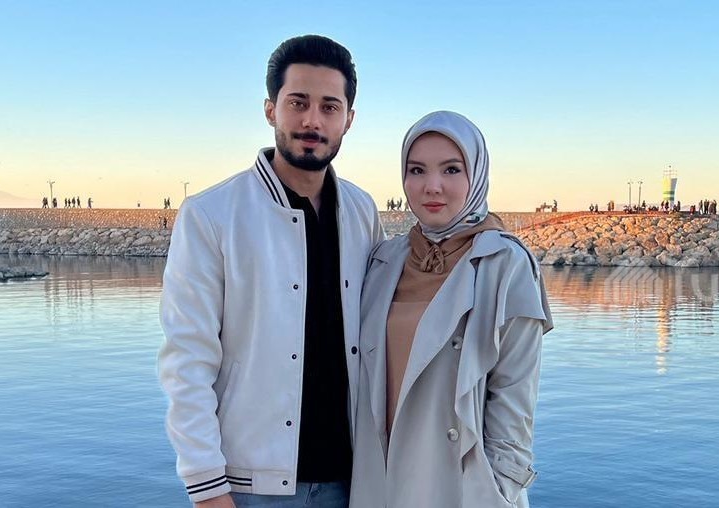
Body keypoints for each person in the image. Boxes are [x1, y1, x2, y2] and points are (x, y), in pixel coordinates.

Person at [158, 35, 384, 507]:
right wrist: (207, 486)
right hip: (251, 488)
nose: (312, 120)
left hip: (353, 483)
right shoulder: (212, 215)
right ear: (270, 110)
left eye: (329, 106)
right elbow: (187, 361)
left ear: (349, 119)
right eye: (297, 102)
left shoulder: (362, 211)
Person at [350, 111, 552, 508]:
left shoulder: (505, 264)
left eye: (451, 169)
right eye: (417, 170)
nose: (432, 186)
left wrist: (500, 488)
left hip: (460, 486)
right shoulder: (384, 260)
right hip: (378, 481)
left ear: (476, 174)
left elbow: (514, 400)